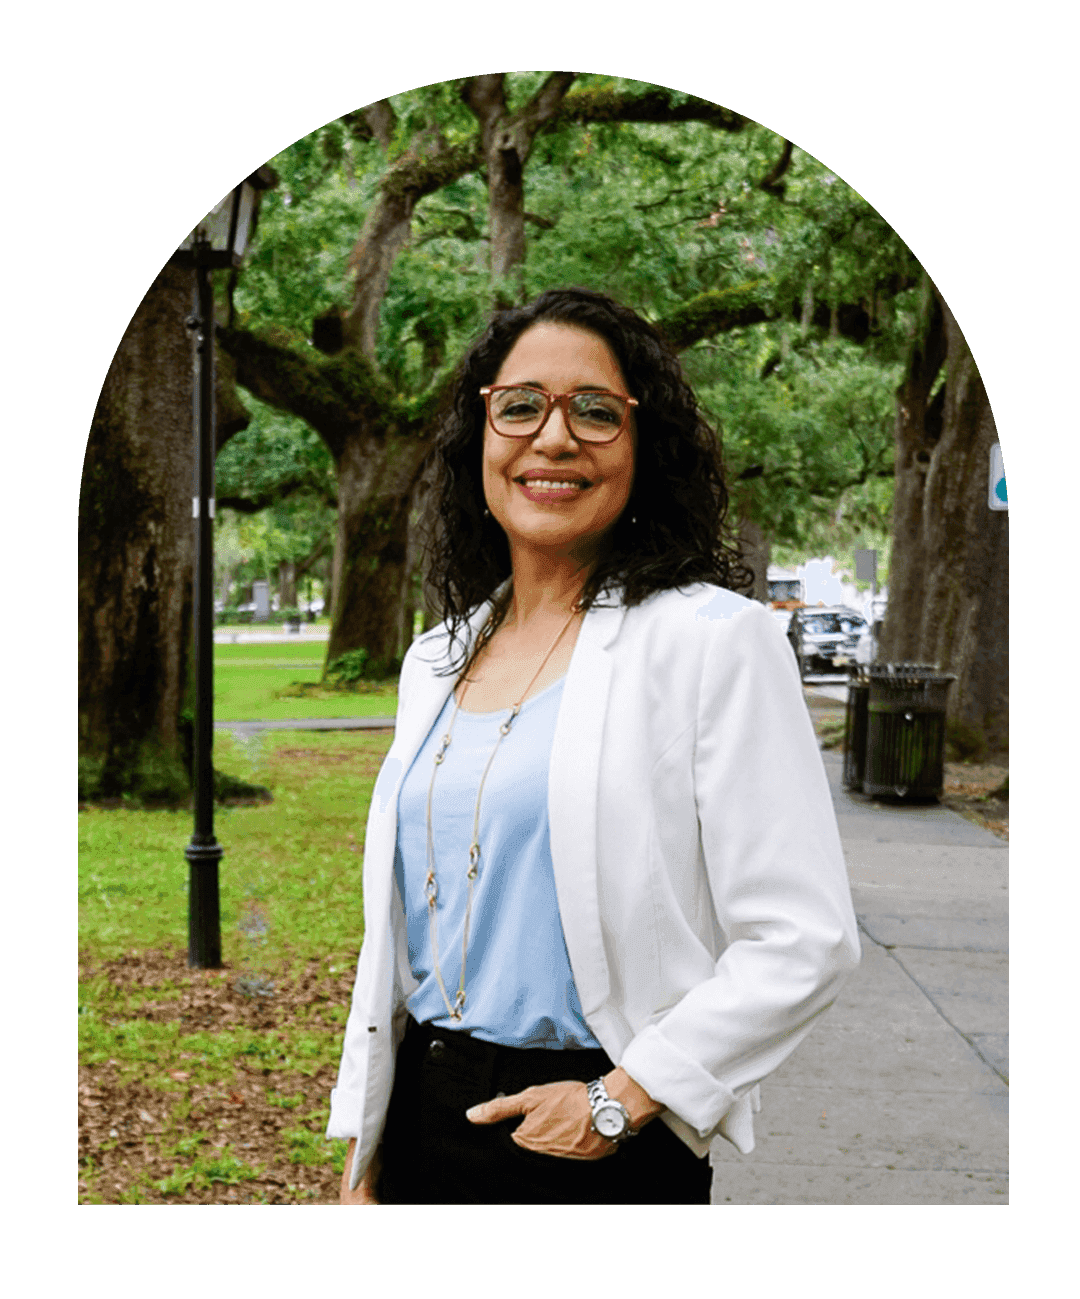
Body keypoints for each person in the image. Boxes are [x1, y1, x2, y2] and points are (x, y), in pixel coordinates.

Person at [327, 287, 860, 1205]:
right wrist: (373, 1141)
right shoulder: (437, 657)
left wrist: (621, 1100)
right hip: (424, 1113)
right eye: (521, 405)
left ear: (644, 449)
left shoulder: (710, 643)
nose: (555, 437)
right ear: (481, 438)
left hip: (597, 1138)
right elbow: (411, 937)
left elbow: (804, 938)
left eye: (597, 411)